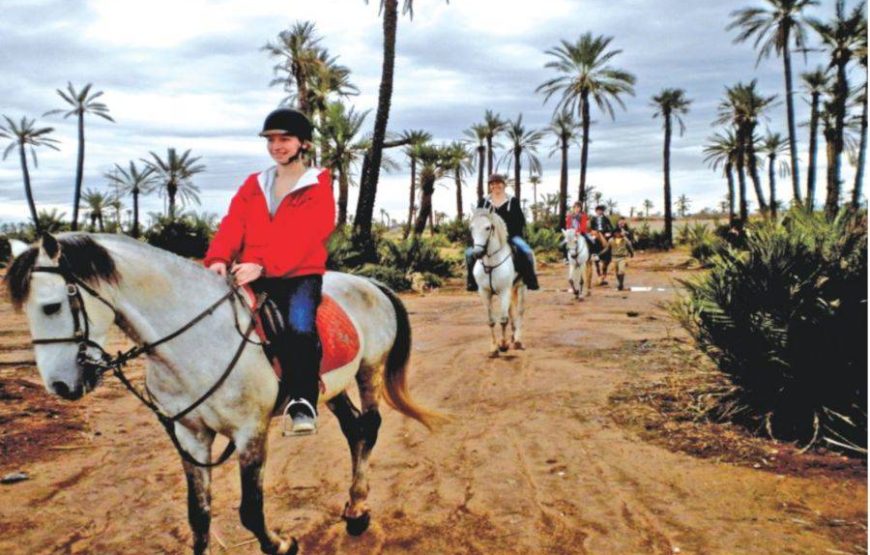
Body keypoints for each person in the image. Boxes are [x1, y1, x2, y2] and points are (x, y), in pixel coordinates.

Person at [203, 107, 335, 436]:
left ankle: (302, 401)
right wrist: (219, 257)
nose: (277, 146)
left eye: (285, 139)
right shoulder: (255, 184)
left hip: (299, 275)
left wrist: (265, 265)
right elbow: (235, 223)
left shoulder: (316, 185)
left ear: (303, 143)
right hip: (250, 272)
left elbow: (309, 234)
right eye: (272, 140)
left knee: (299, 327)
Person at [466, 174, 539, 292]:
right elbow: (477, 220)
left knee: (527, 252)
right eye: (492, 184)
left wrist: (507, 235)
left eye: (498, 183)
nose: (495, 186)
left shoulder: (512, 201)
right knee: (469, 254)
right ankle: (471, 282)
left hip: (511, 236)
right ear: (490, 186)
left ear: (504, 185)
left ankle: (530, 280)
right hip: (488, 238)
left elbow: (520, 220)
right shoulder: (484, 202)